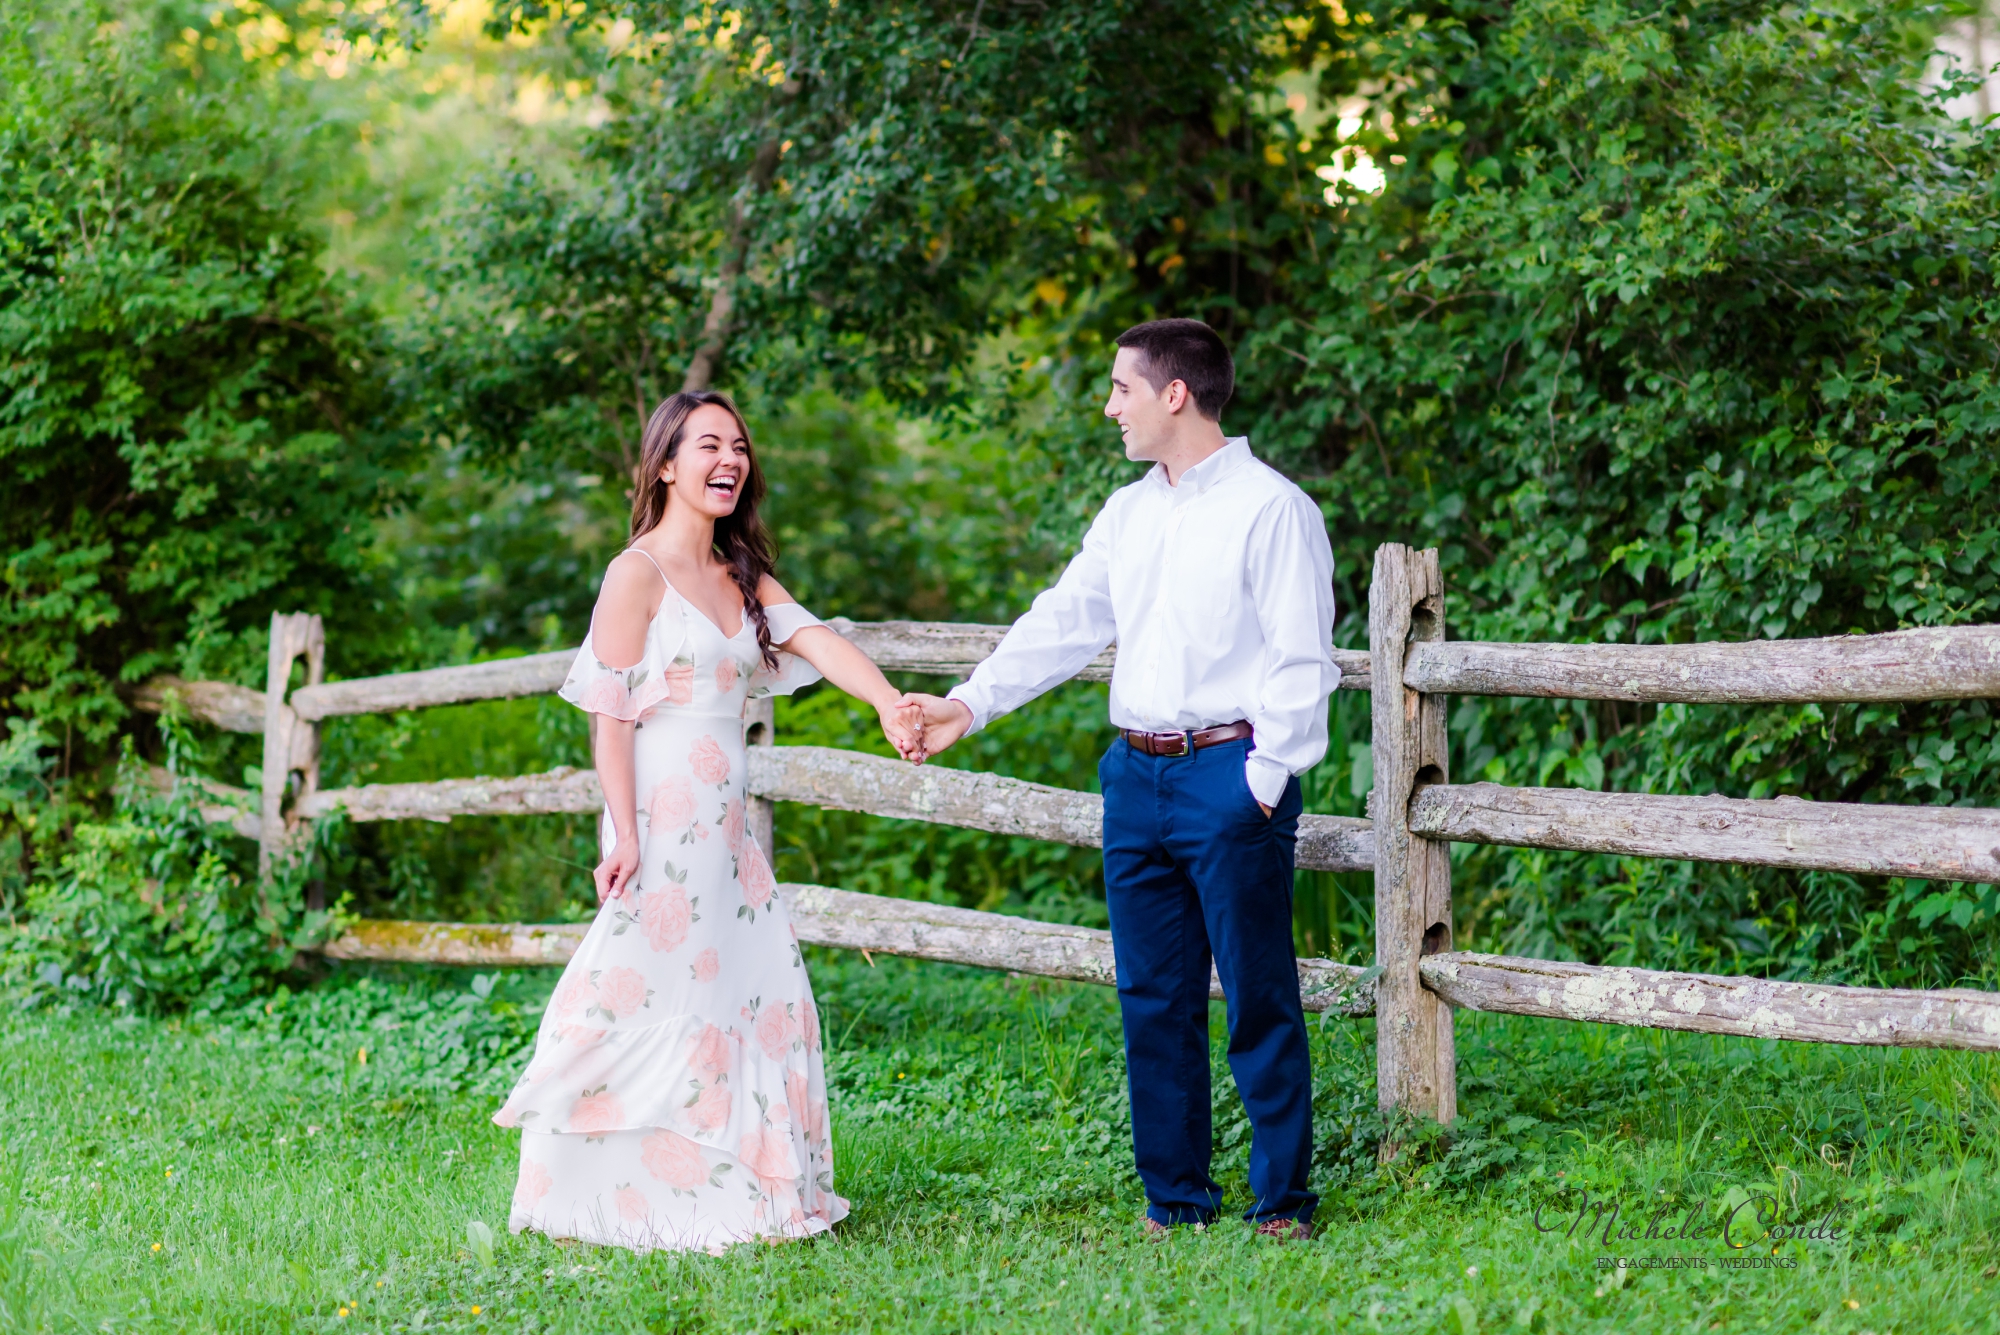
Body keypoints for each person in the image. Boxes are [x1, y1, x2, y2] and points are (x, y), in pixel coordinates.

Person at [904, 319, 1338, 1240]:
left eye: (1121, 389)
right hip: (1133, 777)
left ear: (1173, 393)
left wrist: (1261, 781)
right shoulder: (1127, 511)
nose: (1110, 407)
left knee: (1258, 995)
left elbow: (1302, 661)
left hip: (1230, 774)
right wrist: (967, 703)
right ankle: (1176, 1199)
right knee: (1153, 996)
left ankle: (1282, 1202)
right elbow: (1062, 620)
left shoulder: (1273, 508)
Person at [494, 389, 925, 1253]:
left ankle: (741, 1197)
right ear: (665, 464)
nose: (730, 459)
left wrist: (887, 700)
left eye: (739, 446)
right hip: (661, 822)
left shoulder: (740, 575)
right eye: (708, 445)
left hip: (728, 838)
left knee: (748, 994)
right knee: (643, 990)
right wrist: (625, 833)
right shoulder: (635, 574)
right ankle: (598, 1191)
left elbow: (813, 639)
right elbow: (610, 713)